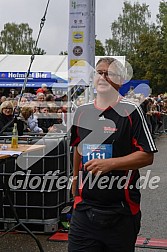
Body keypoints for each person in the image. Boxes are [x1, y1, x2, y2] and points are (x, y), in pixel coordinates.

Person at [68, 57, 158, 252]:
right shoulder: (82, 111)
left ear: (120, 81)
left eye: (109, 74)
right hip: (84, 210)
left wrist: (110, 164)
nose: (103, 77)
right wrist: (75, 181)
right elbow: (77, 148)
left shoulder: (132, 111)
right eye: (99, 72)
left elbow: (147, 155)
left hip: (121, 211)